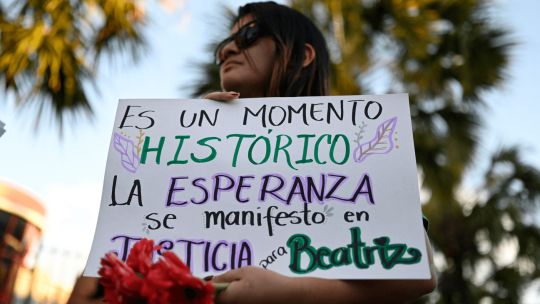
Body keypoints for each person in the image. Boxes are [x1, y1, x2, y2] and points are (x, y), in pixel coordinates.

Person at [205, 2, 437, 303]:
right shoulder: (205, 147)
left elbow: (420, 270)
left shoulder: (355, 147)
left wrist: (291, 293)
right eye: (224, 44)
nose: (227, 51)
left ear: (302, 55)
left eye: (249, 34)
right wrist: (199, 139)